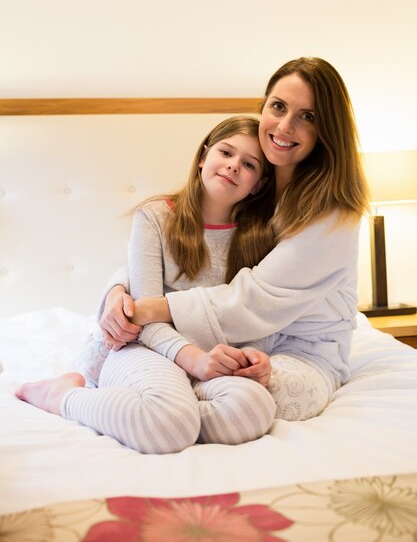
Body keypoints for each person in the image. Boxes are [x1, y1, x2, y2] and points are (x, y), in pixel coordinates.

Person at [100, 56, 369, 422]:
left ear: (328, 130)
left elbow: (256, 297)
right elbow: (173, 254)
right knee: (178, 390)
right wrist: (120, 289)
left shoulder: (332, 212)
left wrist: (149, 308)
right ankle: (155, 408)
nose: (286, 126)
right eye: (278, 107)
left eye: (308, 116)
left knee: (238, 405)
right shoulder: (257, 184)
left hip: (300, 350)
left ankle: (157, 414)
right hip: (234, 342)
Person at [16, 116, 279, 453]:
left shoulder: (260, 236)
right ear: (203, 156)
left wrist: (252, 357)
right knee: (169, 425)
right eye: (226, 153)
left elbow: (251, 309)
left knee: (254, 409)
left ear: (257, 184)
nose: (233, 166)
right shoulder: (155, 217)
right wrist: (196, 361)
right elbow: (144, 315)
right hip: (146, 345)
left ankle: (163, 413)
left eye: (249, 164)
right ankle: (61, 396)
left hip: (209, 358)